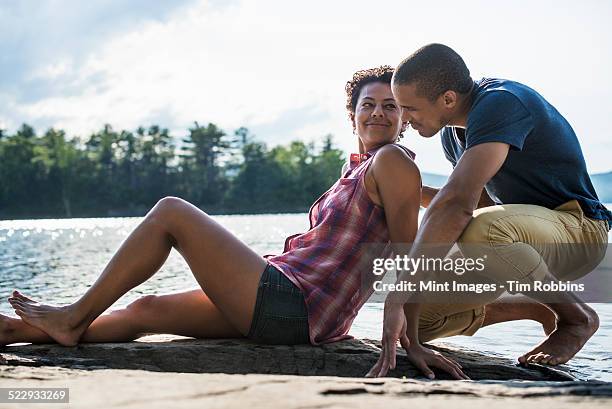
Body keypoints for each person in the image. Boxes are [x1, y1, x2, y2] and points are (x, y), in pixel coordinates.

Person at [2, 66, 467, 378]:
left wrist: (412, 338)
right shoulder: (365, 168)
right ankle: (21, 332)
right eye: (369, 105)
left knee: (171, 212)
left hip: (297, 305)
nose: (379, 113)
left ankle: (71, 317)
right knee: (147, 310)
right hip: (286, 296)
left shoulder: (393, 163)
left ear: (405, 118)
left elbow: (411, 255)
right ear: (352, 117)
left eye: (391, 106)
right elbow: (435, 200)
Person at [367, 44, 611, 378]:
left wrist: (400, 290)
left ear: (448, 99)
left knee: (482, 232)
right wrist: (398, 191)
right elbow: (477, 204)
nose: (404, 118)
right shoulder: (454, 133)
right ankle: (527, 306)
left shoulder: (502, 102)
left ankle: (576, 318)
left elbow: (458, 205)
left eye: (409, 108)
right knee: (412, 327)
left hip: (579, 232)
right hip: (514, 246)